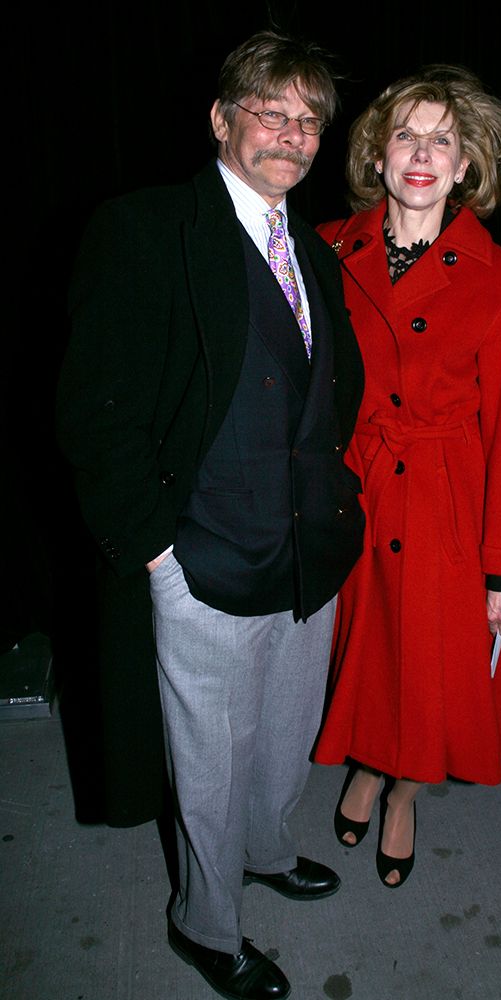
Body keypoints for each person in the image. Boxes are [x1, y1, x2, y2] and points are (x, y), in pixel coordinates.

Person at [56, 30, 365, 1000]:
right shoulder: (145, 229)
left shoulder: (314, 254)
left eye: (309, 117)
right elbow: (95, 410)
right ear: (223, 118)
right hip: (200, 554)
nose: (292, 132)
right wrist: (155, 552)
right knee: (213, 756)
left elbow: (327, 398)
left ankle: (269, 851)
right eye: (270, 110)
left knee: (285, 730)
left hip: (307, 548)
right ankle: (206, 919)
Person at [314, 64, 501, 889]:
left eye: (441, 140)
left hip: (453, 498)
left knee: (433, 669)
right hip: (360, 488)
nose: (422, 153)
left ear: (466, 164)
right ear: (377, 155)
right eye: (405, 135)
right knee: (371, 656)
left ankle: (402, 792)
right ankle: (369, 767)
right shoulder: (326, 249)